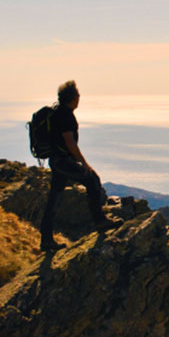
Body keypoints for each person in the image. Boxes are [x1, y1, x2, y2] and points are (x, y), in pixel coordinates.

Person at [39, 80, 112, 251]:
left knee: (54, 199)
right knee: (92, 179)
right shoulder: (66, 115)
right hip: (64, 161)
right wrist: (84, 163)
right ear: (72, 98)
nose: (79, 98)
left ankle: (46, 240)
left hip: (57, 161)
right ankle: (100, 221)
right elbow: (70, 142)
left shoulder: (58, 112)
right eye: (78, 95)